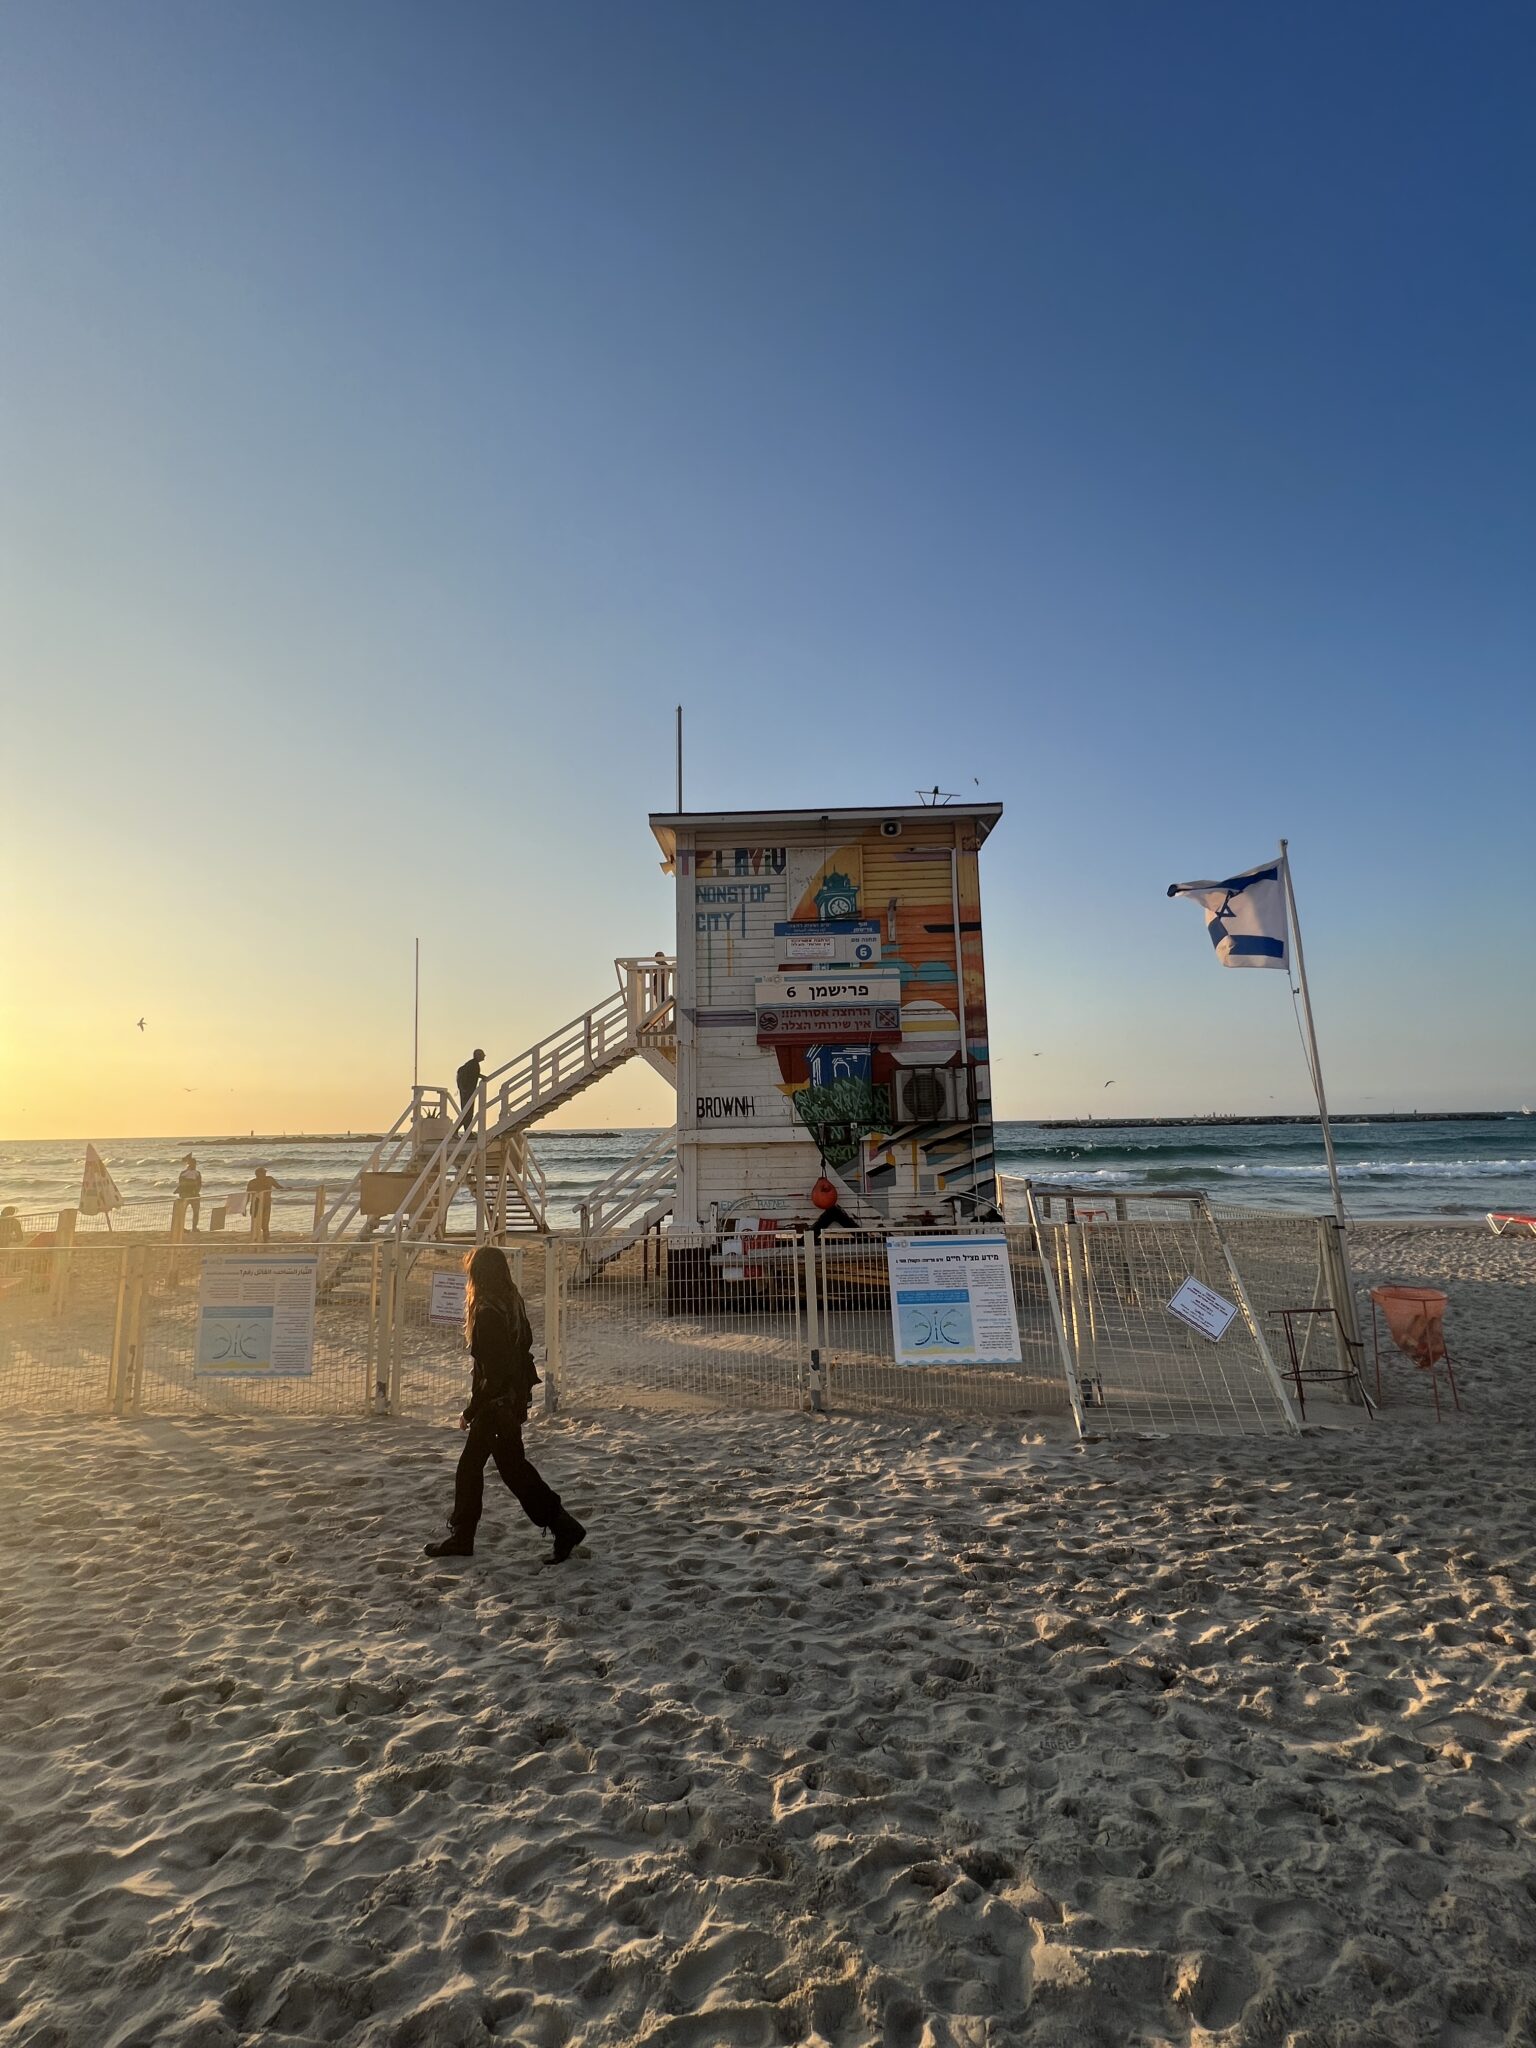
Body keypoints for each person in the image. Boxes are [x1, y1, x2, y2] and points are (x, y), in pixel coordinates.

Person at [424, 1246, 586, 1565]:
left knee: (490, 1470)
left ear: (478, 1276)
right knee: (506, 1469)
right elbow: (523, 1347)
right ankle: (559, 1526)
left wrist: (471, 1410)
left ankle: (466, 1536)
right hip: (510, 1402)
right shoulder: (512, 1301)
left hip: (496, 1407)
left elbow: (493, 1374)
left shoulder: (487, 1312)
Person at [246, 1166, 282, 1242]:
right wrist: (244, 1207)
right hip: (255, 1205)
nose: (265, 1173)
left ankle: (266, 1239)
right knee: (255, 1223)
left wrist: (287, 1188)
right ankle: (255, 1238)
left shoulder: (269, 1179)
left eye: (265, 1172)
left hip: (266, 1204)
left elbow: (278, 1187)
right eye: (263, 1172)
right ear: (257, 1174)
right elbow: (247, 1195)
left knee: (265, 1224)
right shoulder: (252, 1182)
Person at [456, 1047, 486, 1133]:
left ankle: (467, 1132)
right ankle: (457, 1131)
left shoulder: (472, 1064)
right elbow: (472, 1074)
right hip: (467, 1092)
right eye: (482, 1054)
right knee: (467, 1113)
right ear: (478, 1055)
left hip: (467, 1091)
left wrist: (481, 1076)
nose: (484, 1056)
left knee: (467, 1112)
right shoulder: (473, 1064)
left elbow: (473, 1074)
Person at [175, 1154, 203, 1232]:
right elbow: (181, 1184)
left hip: (193, 1195)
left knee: (195, 1213)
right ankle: (182, 1227)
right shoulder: (184, 1173)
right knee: (182, 1213)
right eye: (193, 1163)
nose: (194, 1165)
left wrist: (196, 1191)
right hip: (186, 1195)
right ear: (189, 1164)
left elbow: (199, 1184)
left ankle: (194, 1227)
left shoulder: (197, 1173)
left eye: (194, 1164)